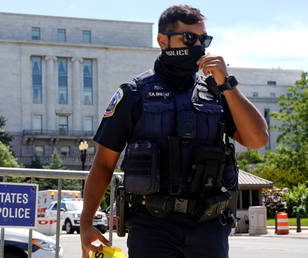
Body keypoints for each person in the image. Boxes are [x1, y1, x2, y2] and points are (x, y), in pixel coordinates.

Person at [80, 5, 268, 258]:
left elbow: (257, 139)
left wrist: (228, 84)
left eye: (204, 39)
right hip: (153, 227)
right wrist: (86, 223)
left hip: (208, 227)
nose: (198, 46)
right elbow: (103, 164)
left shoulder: (217, 92)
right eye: (189, 38)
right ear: (162, 41)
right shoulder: (134, 93)